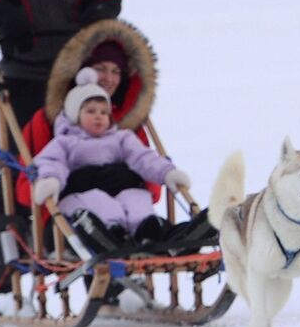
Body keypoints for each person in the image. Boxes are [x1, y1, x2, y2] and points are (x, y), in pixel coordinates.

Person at [31, 69, 191, 250]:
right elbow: (51, 161)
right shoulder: (65, 142)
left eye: (104, 112)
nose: (98, 116)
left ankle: (150, 232)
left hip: (117, 193)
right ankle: (111, 236)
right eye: (91, 111)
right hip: (81, 200)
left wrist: (166, 173)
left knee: (136, 197)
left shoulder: (121, 138)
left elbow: (142, 157)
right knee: (100, 201)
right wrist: (51, 180)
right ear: (75, 116)